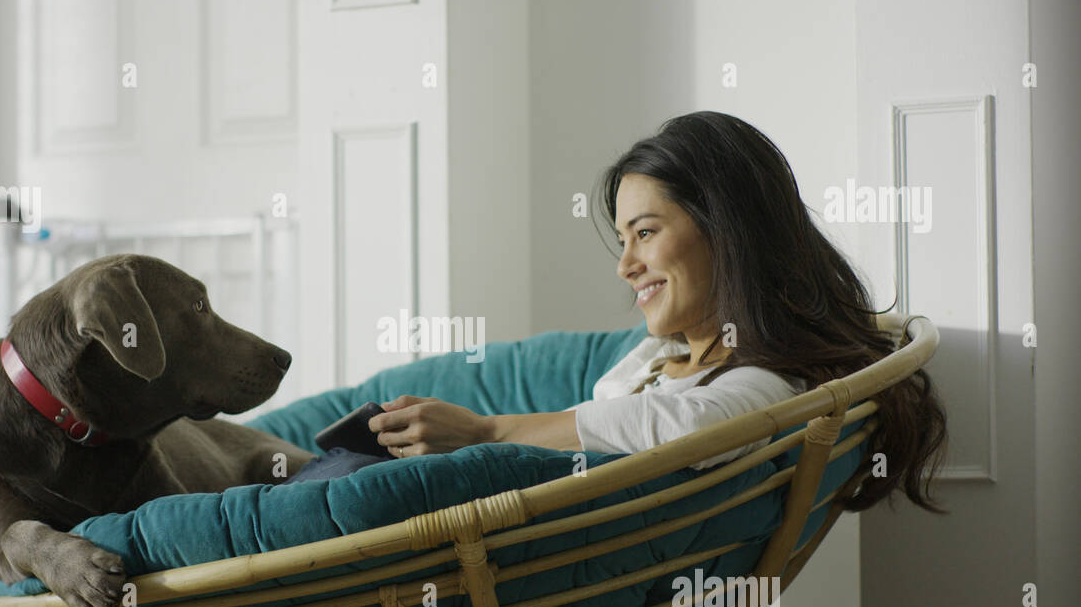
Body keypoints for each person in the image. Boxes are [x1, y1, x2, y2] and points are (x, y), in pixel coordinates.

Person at [332, 112, 947, 514]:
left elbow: (688, 428)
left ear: (727, 231)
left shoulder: (766, 382)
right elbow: (611, 419)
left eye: (645, 232)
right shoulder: (656, 357)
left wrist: (485, 432)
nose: (625, 265)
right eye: (623, 239)